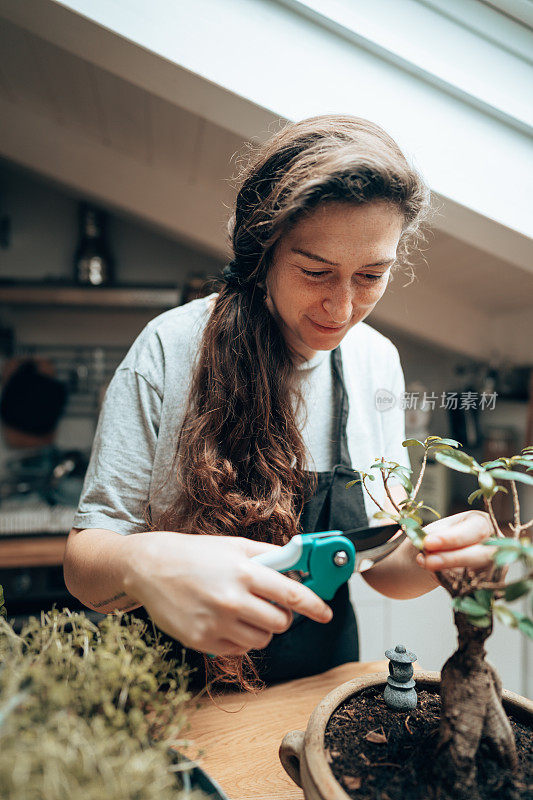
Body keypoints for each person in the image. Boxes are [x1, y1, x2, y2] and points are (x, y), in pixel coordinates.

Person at [64, 115, 494, 692]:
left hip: (321, 697)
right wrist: (145, 563)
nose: (341, 309)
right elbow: (84, 567)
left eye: (371, 276)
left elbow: (380, 564)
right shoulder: (170, 349)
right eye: (315, 271)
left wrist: (441, 556)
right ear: (261, 252)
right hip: (172, 699)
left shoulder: (374, 362)